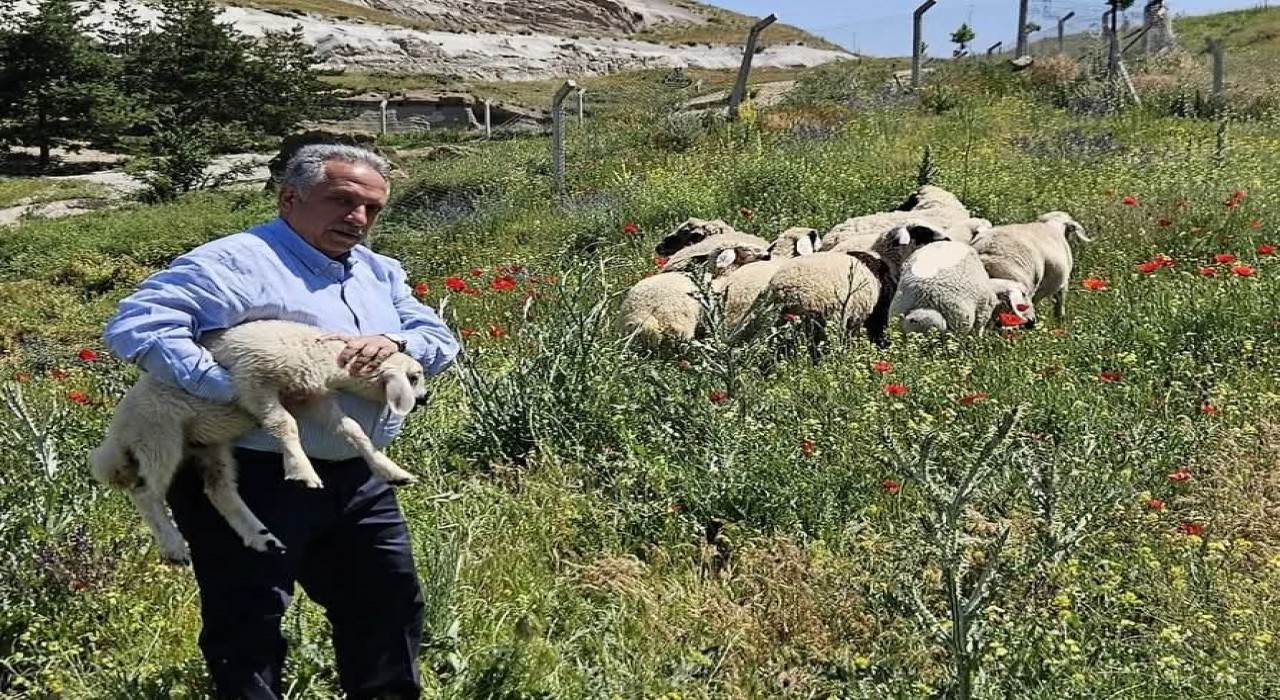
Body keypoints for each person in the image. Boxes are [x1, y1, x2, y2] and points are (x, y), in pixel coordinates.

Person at [103, 144, 460, 699]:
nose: (358, 219)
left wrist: (393, 340)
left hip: (354, 477)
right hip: (252, 472)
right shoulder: (236, 262)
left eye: (373, 208)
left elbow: (438, 340)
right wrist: (237, 393)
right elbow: (140, 323)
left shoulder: (378, 272)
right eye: (341, 201)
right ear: (289, 198)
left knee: (388, 607)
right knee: (249, 622)